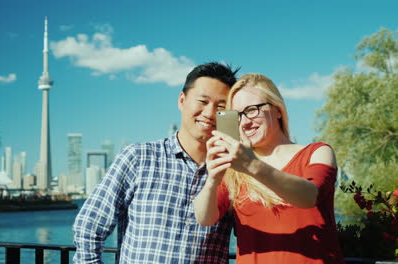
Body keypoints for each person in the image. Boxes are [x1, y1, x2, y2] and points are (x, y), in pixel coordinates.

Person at [73, 62, 239, 263]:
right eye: (202, 101)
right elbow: (89, 227)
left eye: (221, 107)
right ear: (182, 100)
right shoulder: (139, 157)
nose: (210, 113)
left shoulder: (233, 172)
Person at [194, 73, 344, 264]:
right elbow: (204, 218)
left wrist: (252, 165)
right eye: (237, 115)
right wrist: (212, 180)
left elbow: (309, 196)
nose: (245, 122)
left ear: (278, 110)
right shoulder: (234, 169)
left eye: (252, 110)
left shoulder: (317, 152)